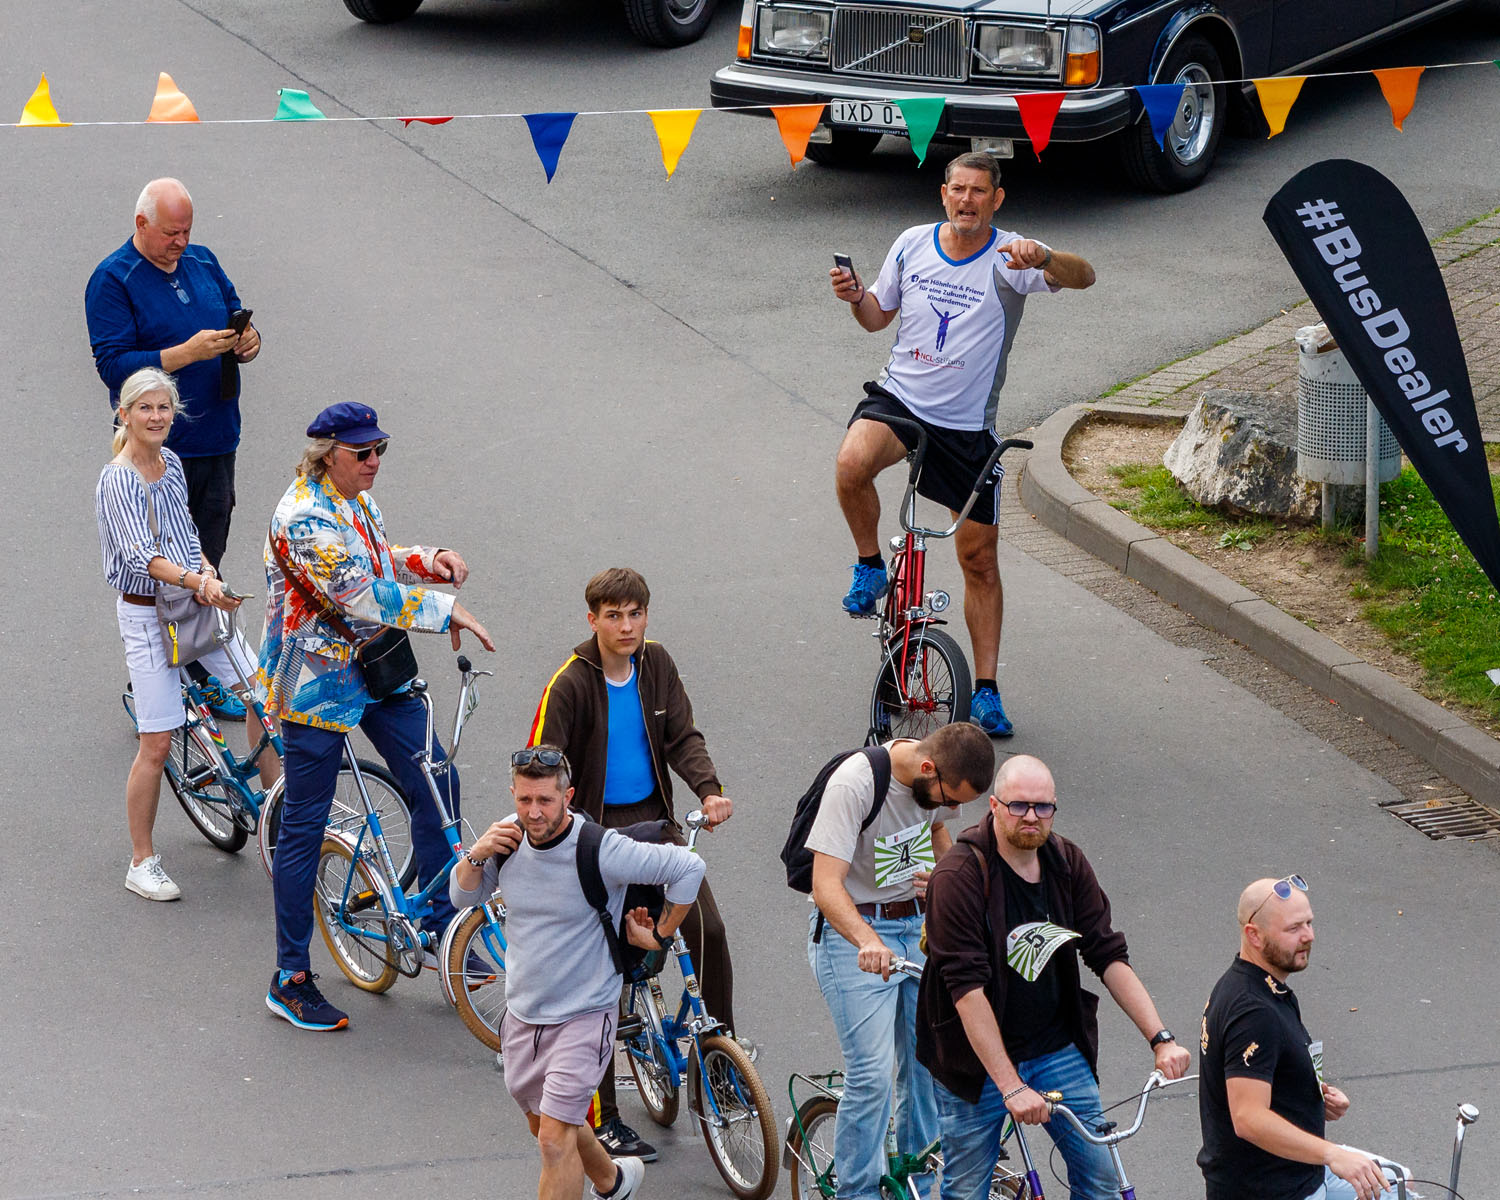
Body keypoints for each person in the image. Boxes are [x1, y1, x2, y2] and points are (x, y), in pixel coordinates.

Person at [830, 152, 1096, 737]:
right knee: (851, 463)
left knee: (978, 558)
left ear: (996, 199)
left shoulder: (1012, 256)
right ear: (943, 194)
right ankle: (871, 566)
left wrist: (1046, 256)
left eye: (980, 191)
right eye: (958, 190)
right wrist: (855, 296)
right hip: (901, 402)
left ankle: (986, 690)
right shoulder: (912, 243)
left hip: (967, 428)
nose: (967, 200)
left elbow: (1084, 276)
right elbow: (877, 318)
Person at [259, 401, 493, 1032]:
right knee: (306, 822)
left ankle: (444, 923)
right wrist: (445, 610)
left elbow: (375, 558)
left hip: (373, 660)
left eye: (380, 449)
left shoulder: (353, 497)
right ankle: (291, 977)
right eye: (362, 453)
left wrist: (425, 558)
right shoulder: (302, 518)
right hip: (315, 680)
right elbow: (357, 592)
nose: (374, 462)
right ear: (326, 452)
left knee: (436, 775)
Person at [527, 566, 737, 1161]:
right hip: (594, 836)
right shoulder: (568, 684)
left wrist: (709, 788)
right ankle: (604, 1117)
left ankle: (717, 1061)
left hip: (656, 821)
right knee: (604, 976)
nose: (626, 626)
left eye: (635, 614)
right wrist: (546, 835)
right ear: (591, 620)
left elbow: (683, 739)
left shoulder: (657, 665)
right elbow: (542, 767)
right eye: (613, 615)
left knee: (707, 931)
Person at [916, 755, 1190, 1200]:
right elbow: (965, 992)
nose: (1031, 817)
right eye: (1019, 805)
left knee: (1100, 1178)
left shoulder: (1066, 863)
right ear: (994, 805)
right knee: (967, 1190)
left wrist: (1160, 1038)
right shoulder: (960, 877)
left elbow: (1108, 954)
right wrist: (1011, 1085)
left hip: (1053, 1047)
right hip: (976, 1061)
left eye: (1043, 807)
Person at [451, 747, 707, 1200]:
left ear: (567, 796)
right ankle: (613, 1180)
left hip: (586, 1015)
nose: (533, 812)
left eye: (545, 801)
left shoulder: (600, 848)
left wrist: (662, 934)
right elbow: (462, 899)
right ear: (513, 793)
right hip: (524, 1015)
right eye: (524, 799)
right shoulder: (506, 844)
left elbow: (689, 866)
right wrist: (476, 854)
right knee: (544, 1124)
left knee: (553, 1139)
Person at [95, 367, 277, 900]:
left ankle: (277, 815)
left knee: (262, 696)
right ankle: (142, 860)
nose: (156, 417)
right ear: (123, 415)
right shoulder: (118, 478)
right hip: (147, 614)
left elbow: (185, 534)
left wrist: (206, 572)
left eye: (163, 408)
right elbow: (138, 554)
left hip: (196, 602)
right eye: (145, 408)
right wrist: (196, 579)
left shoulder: (171, 463)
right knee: (156, 743)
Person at [86, 177, 263, 721]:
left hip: (216, 439)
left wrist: (250, 342)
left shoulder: (204, 261)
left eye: (186, 230)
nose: (180, 242)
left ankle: (197, 667)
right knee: (162, 566)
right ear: (141, 225)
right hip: (158, 453)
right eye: (169, 232)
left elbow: (235, 311)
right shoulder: (113, 280)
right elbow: (113, 366)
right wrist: (181, 354)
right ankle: (160, 679)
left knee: (206, 549)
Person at [807, 722, 996, 1200]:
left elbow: (937, 837)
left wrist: (944, 882)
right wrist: (868, 941)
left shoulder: (931, 787)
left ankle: (916, 1181)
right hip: (852, 937)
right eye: (949, 798)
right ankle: (859, 1192)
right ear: (927, 769)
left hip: (915, 927)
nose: (952, 810)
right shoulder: (856, 783)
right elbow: (825, 886)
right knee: (872, 1075)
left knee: (929, 1067)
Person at [1198, 877, 1395, 1200]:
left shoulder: (1260, 985)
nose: (1309, 936)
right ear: (1254, 935)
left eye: (1309, 923)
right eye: (1293, 929)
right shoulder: (1253, 1011)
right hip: (1271, 1189)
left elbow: (1270, 1067)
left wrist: (1315, 1096)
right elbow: (1248, 1118)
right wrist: (1333, 1154)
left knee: (1399, 1183)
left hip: (1300, 1172)